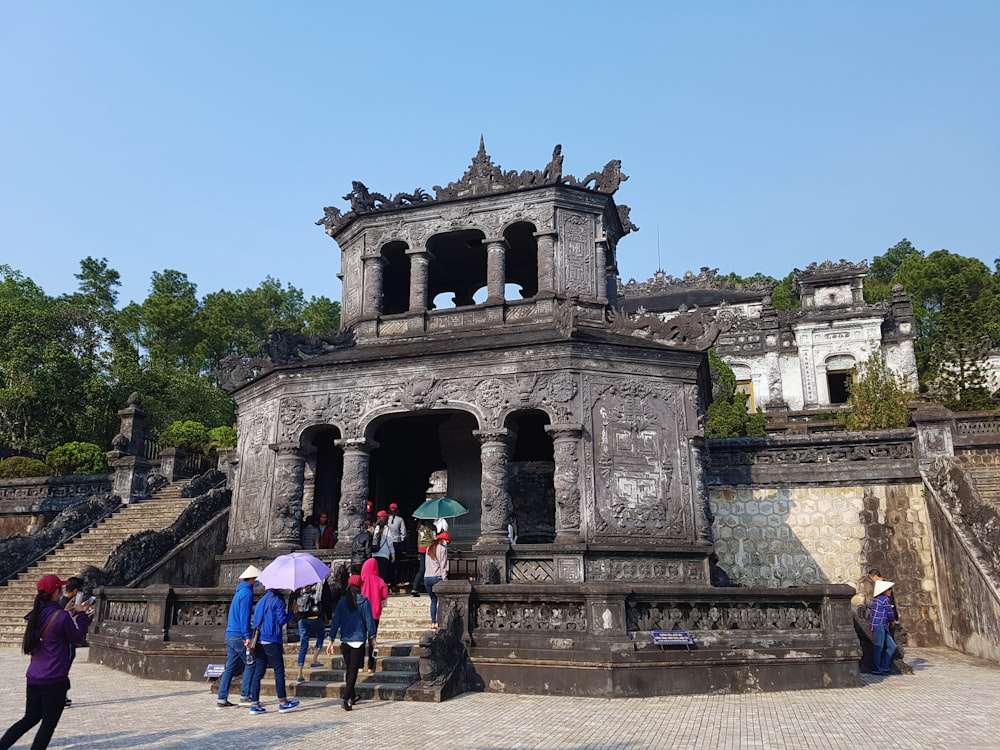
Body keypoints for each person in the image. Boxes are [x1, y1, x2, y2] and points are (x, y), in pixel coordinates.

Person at [0, 574, 91, 750]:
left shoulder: (36, 614)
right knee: (48, 723)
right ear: (56, 592)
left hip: (34, 676)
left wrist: (66, 613)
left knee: (30, 718)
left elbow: (53, 626)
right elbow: (77, 637)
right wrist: (81, 614)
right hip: (54, 678)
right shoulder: (60, 617)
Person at [326, 574, 377, 712]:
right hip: (358, 641)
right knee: (353, 671)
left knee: (350, 669)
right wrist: (373, 637)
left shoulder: (342, 602)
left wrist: (330, 640)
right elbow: (369, 620)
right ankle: (346, 697)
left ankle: (353, 695)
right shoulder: (364, 601)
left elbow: (336, 622)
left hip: (345, 641)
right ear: (360, 586)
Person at [247, 585, 299, 715]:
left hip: (259, 640)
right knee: (279, 670)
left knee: (258, 672)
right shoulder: (278, 600)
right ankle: (283, 702)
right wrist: (293, 612)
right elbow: (281, 621)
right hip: (272, 639)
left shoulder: (261, 601)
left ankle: (255, 703)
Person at [216, 565, 261, 708]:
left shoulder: (238, 592)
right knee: (250, 663)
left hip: (230, 634)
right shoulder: (247, 593)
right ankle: (245, 694)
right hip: (239, 635)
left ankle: (222, 698)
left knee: (230, 667)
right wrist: (247, 636)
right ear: (253, 579)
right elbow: (244, 617)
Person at [294, 579, 334, 683]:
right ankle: (314, 660)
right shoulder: (321, 583)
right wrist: (329, 617)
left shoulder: (299, 582)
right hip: (315, 616)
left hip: (302, 618)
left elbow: (294, 599)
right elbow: (327, 601)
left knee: (303, 643)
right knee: (320, 636)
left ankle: (299, 674)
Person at [57, 576, 86, 709]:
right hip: (66, 644)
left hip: (66, 644)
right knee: (62, 672)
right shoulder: (64, 604)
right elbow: (66, 624)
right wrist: (81, 614)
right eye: (80, 591)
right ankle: (60, 697)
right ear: (75, 591)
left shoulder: (65, 603)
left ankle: (62, 696)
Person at [360, 557, 389, 673]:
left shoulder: (362, 579)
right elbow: (384, 595)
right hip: (375, 613)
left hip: (362, 612)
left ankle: (360, 665)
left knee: (361, 639)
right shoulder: (379, 581)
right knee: (372, 639)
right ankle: (371, 666)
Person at [870, 579, 898, 675]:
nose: (890, 591)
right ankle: (877, 668)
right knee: (879, 647)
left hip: (882, 626)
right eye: (889, 589)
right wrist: (893, 620)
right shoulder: (884, 599)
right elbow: (890, 612)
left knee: (892, 646)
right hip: (880, 626)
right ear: (885, 591)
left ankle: (884, 667)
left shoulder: (877, 599)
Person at [423, 532, 449, 629]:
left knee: (433, 600)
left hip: (427, 577)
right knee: (441, 601)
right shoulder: (442, 549)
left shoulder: (428, 549)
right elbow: (443, 566)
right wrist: (445, 579)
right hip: (437, 577)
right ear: (442, 540)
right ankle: (439, 621)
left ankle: (433, 622)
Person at [410, 519, 436, 596]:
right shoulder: (431, 527)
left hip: (421, 549)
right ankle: (429, 587)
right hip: (429, 548)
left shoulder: (420, 527)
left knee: (422, 569)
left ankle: (414, 588)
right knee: (431, 568)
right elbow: (434, 538)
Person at [386, 502, 408, 590]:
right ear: (397, 510)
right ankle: (395, 582)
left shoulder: (387, 519)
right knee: (396, 563)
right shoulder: (400, 519)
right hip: (396, 543)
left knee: (388, 563)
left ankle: (388, 581)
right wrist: (402, 541)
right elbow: (403, 532)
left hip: (388, 543)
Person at [371, 511, 395, 583]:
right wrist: (393, 554)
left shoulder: (374, 528)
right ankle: (381, 590)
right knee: (382, 575)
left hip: (374, 553)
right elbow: (389, 542)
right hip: (384, 554)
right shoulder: (387, 529)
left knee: (375, 574)